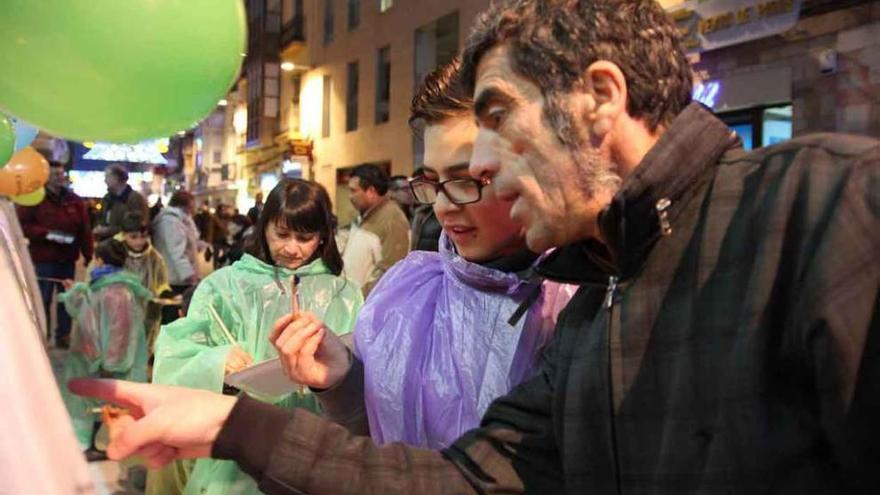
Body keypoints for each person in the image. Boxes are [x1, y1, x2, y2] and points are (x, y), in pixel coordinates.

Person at [70, 0, 880, 493]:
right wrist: (233, 424)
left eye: (496, 120)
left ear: (599, 97)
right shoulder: (603, 300)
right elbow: (459, 477)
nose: (482, 170)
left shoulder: (827, 207)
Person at [271, 58, 575, 449]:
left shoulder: (581, 299)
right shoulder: (403, 293)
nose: (444, 207)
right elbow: (385, 448)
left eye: (466, 179)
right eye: (432, 181)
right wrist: (342, 380)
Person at [151, 178, 363, 495]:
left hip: (318, 443)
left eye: (305, 237)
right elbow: (175, 358)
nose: (292, 248)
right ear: (264, 228)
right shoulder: (223, 286)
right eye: (282, 234)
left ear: (322, 238)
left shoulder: (345, 294)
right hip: (240, 442)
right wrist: (216, 362)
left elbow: (362, 368)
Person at [59, 239, 151, 458]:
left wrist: (110, 364)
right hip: (94, 357)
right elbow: (89, 317)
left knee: (104, 405)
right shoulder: (105, 285)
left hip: (105, 361)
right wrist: (75, 293)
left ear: (100, 260)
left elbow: (120, 333)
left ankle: (100, 444)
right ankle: (89, 444)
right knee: (92, 403)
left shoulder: (117, 291)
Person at [16, 160, 93, 348]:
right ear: (46, 177)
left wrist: (88, 254)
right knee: (42, 298)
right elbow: (23, 226)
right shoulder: (35, 199)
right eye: (55, 174)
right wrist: (46, 234)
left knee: (66, 298)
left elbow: (84, 229)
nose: (59, 178)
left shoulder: (75, 200)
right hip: (44, 258)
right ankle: (42, 334)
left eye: (61, 174)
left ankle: (63, 336)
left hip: (67, 258)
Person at [341, 163, 411, 295]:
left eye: (354, 191)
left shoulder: (392, 220)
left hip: (366, 306)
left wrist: (359, 299)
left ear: (371, 192)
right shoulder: (366, 216)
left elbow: (391, 273)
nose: (350, 197)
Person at [119, 211, 171, 351]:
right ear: (124, 235)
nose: (139, 242)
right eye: (133, 237)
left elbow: (162, 282)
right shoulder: (114, 252)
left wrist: (164, 295)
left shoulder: (155, 257)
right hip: (119, 308)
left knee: (142, 343)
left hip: (146, 309)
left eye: (143, 236)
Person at [152, 190, 200, 323]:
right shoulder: (170, 221)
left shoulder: (182, 219)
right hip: (174, 277)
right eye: (192, 205)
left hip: (177, 276)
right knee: (173, 315)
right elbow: (176, 251)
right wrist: (190, 275)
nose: (194, 208)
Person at [94, 164, 149, 241]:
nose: (105, 180)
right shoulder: (107, 198)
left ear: (116, 178)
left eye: (107, 177)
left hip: (126, 245)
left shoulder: (135, 198)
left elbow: (137, 225)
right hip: (106, 244)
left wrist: (108, 230)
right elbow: (100, 218)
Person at [409, 167, 442, 252]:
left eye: (421, 185)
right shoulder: (418, 211)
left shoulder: (441, 212)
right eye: (415, 186)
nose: (417, 191)